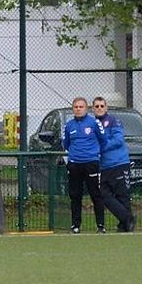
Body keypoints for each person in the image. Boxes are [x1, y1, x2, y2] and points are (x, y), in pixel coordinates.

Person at [62, 96, 107, 234]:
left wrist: (93, 153)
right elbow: (66, 144)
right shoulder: (69, 125)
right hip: (74, 164)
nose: (78, 109)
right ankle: (75, 226)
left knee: (96, 194)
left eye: (81, 107)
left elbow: (103, 141)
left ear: (86, 108)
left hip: (91, 163)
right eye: (76, 107)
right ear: (73, 109)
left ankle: (100, 226)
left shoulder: (94, 123)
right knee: (75, 196)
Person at [91, 96, 135, 232]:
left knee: (122, 196)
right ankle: (127, 218)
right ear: (93, 109)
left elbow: (118, 140)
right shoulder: (92, 124)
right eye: (97, 106)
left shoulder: (113, 121)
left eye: (102, 106)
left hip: (118, 163)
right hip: (104, 166)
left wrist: (101, 147)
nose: (99, 108)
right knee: (103, 195)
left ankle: (125, 226)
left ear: (106, 108)